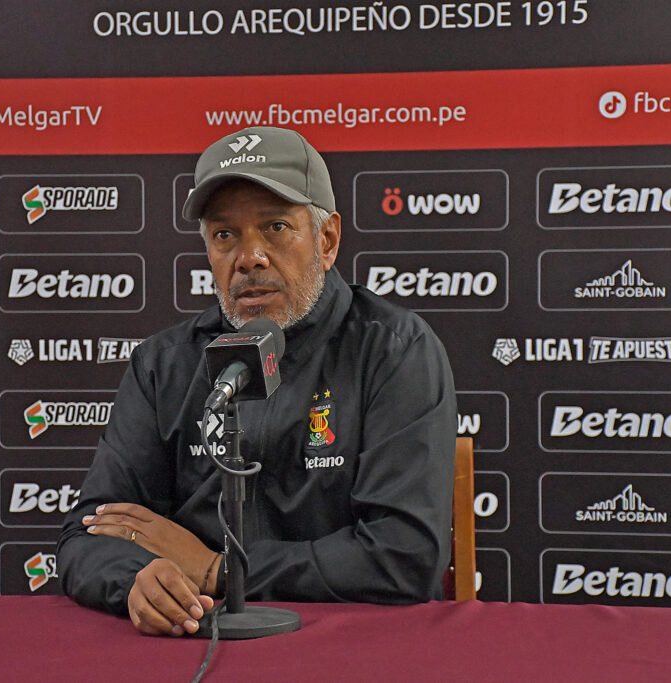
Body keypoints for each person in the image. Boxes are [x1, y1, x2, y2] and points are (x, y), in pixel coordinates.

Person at [57, 126, 456, 636]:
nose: (250, 257)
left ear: (327, 239)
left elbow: (406, 556)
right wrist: (139, 582)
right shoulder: (165, 364)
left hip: (347, 649)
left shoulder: (393, 350)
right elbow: (89, 534)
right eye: (225, 235)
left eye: (274, 228)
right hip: (194, 640)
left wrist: (220, 571)